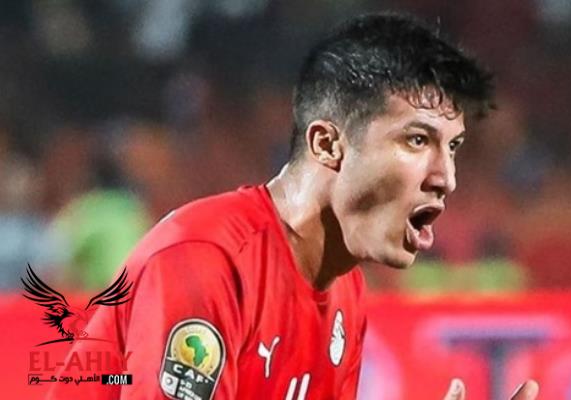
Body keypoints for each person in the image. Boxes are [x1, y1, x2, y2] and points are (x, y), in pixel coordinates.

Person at [46, 13, 539, 400]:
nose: (445, 177)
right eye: (416, 140)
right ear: (327, 144)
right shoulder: (206, 261)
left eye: (452, 148)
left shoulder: (343, 289)